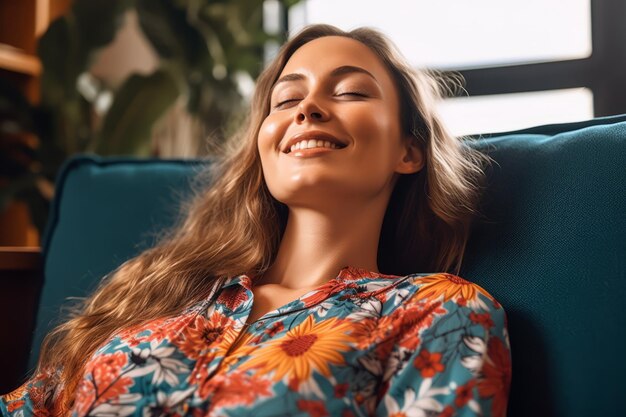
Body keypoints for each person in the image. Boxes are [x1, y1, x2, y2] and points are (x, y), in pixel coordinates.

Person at [1, 24, 511, 417]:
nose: (307, 108)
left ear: (409, 150)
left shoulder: (437, 314)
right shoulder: (158, 292)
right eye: (287, 99)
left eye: (351, 92)